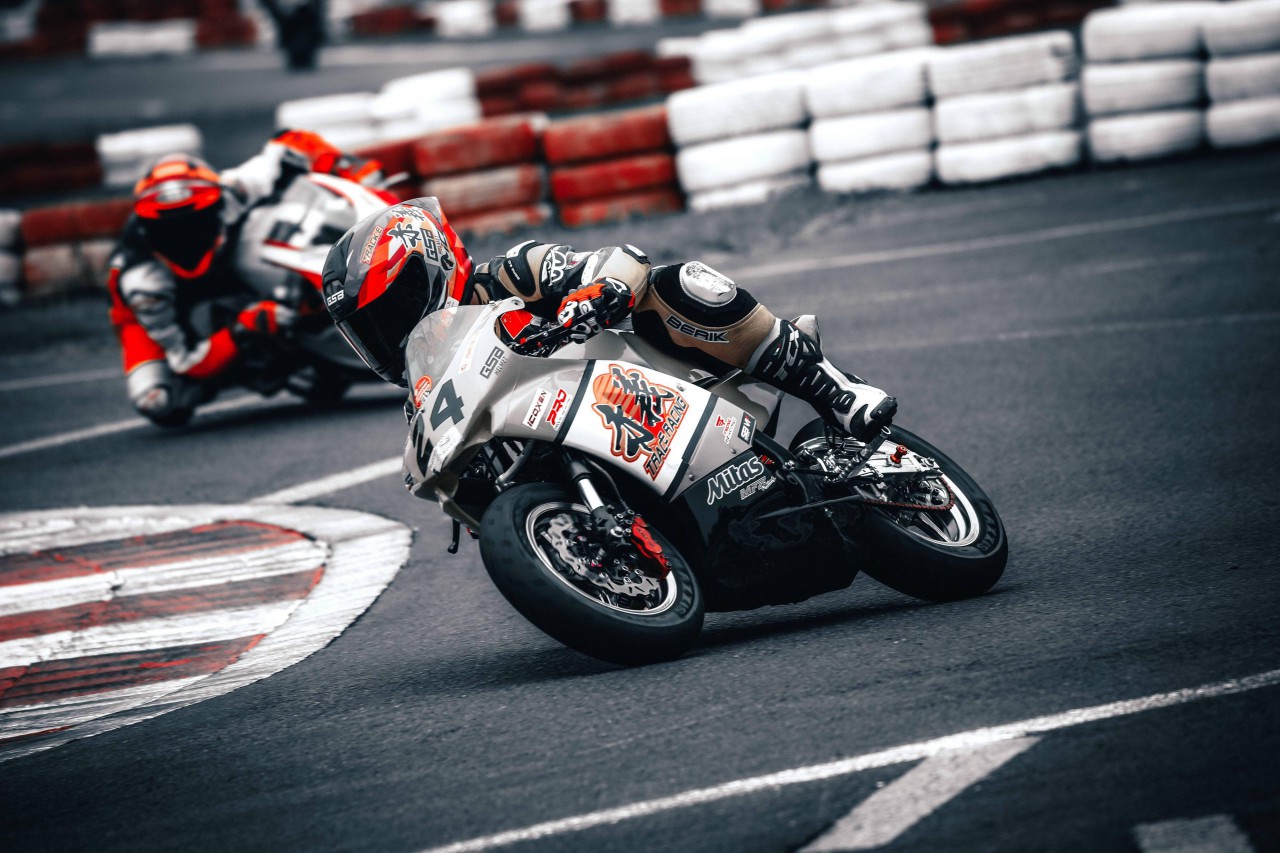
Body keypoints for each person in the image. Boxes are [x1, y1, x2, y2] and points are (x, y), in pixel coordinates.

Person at [322, 197, 896, 440]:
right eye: (370, 331)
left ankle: (833, 389)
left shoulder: (510, 275)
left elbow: (622, 258)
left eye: (392, 311)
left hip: (652, 386)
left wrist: (597, 293)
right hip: (587, 431)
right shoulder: (425, 395)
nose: (390, 334)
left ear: (431, 266)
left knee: (678, 283)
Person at [107, 130, 382, 427]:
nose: (184, 237)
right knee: (159, 402)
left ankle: (305, 343)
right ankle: (243, 367)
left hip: (225, 276)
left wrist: (345, 167)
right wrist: (244, 327)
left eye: (195, 223)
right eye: (169, 231)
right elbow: (187, 362)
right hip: (156, 320)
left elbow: (287, 145)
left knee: (266, 248)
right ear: (147, 228)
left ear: (218, 205)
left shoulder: (231, 192)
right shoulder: (145, 283)